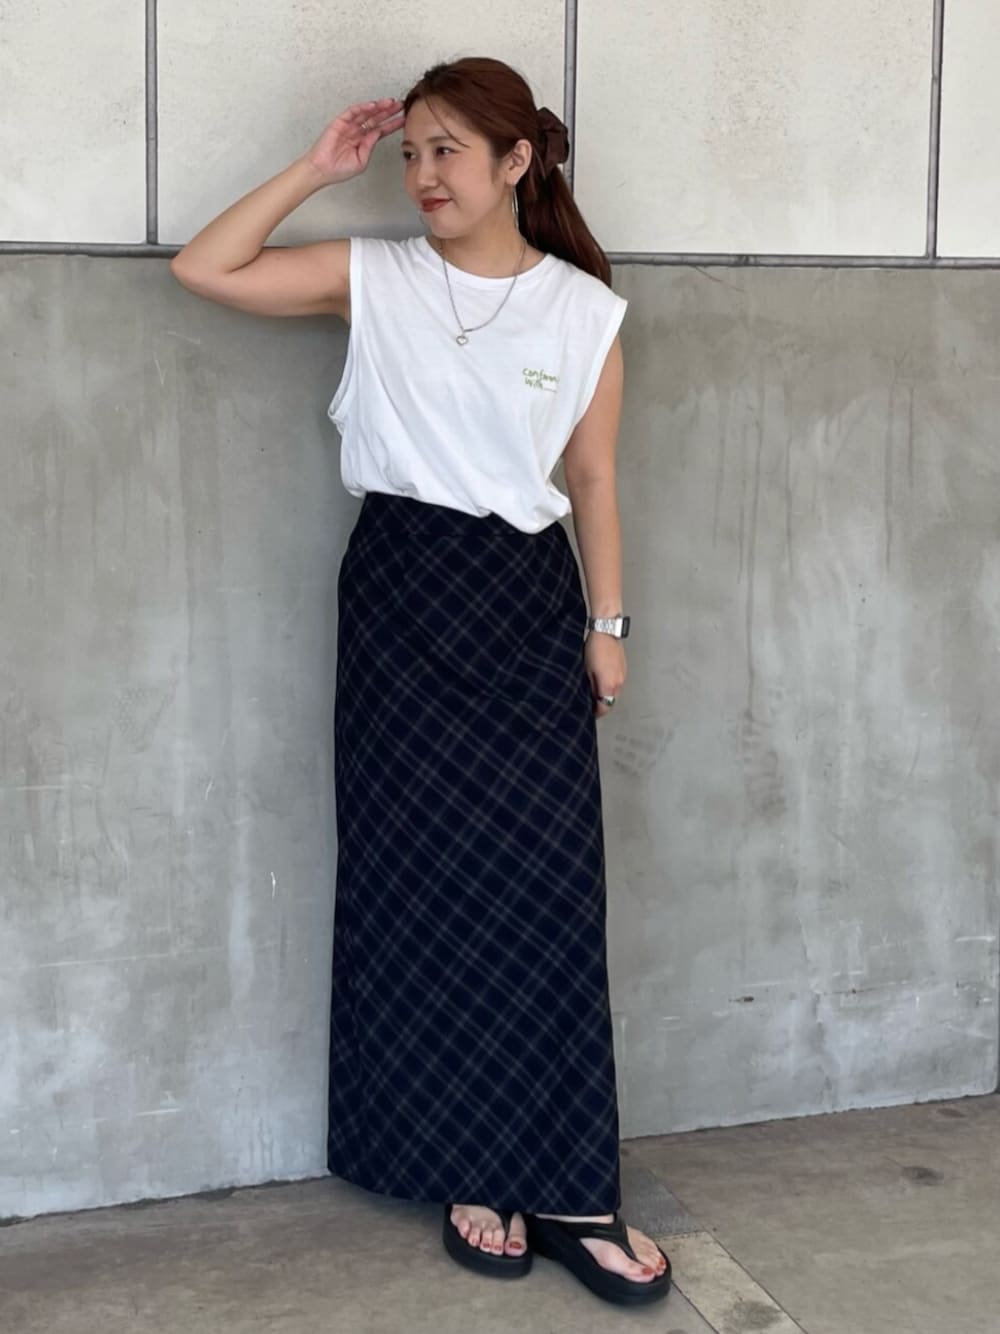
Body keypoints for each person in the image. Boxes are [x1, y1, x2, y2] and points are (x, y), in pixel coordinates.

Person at [170, 54, 671, 1310]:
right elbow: (206, 268)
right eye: (410, 153)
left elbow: (593, 478)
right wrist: (314, 169)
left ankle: (570, 1183)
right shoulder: (376, 276)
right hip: (402, 590)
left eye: (448, 149)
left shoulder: (581, 310)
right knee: (422, 881)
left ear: (517, 161)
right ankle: (469, 1165)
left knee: (549, 890)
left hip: (525, 597)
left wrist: (607, 622)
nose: (423, 175)